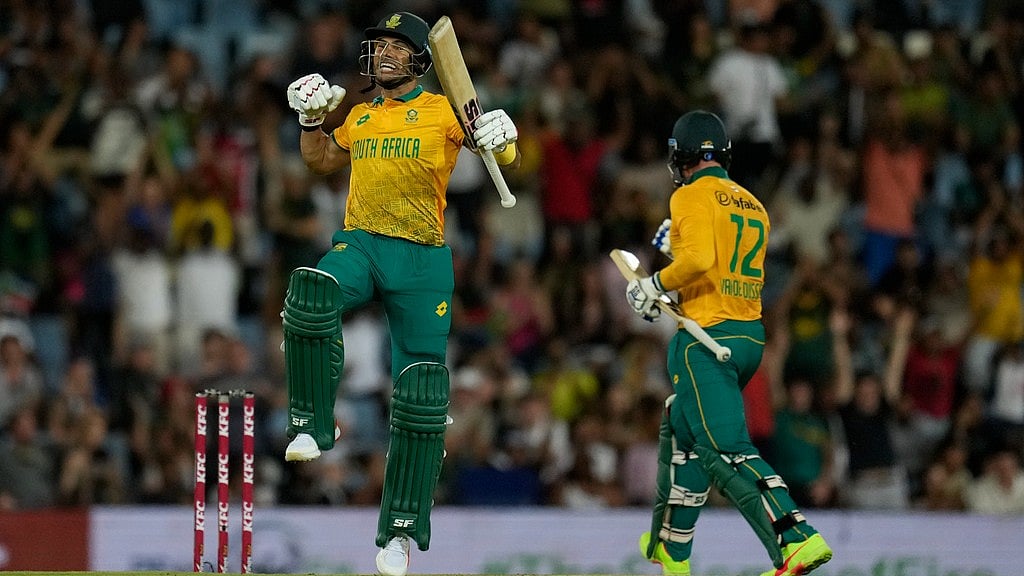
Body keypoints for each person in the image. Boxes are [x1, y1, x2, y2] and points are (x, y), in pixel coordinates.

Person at [282, 11, 520, 576]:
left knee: (422, 395)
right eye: (378, 45)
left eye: (396, 46)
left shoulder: (443, 109)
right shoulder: (361, 115)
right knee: (311, 292)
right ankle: (314, 424)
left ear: (419, 59)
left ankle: (400, 532)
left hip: (423, 258)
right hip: (363, 244)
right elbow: (319, 161)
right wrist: (312, 120)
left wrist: (504, 139)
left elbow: (495, 151)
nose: (384, 53)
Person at [625, 110, 832, 576]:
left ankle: (795, 539)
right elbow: (720, 263)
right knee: (682, 425)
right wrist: (676, 255)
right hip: (747, 337)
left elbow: (699, 260)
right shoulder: (753, 203)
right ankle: (670, 546)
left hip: (705, 338)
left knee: (722, 449)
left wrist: (654, 283)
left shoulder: (689, 196)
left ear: (682, 156)